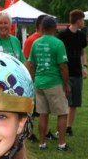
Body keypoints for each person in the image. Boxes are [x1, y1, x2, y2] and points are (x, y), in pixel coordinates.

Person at [26, 16, 70, 151]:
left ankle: (42, 143)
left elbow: (32, 65)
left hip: (39, 82)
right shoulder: (58, 43)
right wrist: (66, 84)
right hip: (54, 82)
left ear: (42, 28)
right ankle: (62, 144)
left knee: (43, 114)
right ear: (54, 28)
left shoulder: (35, 43)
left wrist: (32, 82)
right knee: (62, 113)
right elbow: (63, 66)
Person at [57, 9, 88, 137]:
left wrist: (84, 67)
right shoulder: (63, 35)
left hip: (77, 73)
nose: (84, 22)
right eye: (82, 19)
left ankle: (69, 127)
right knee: (64, 102)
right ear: (78, 20)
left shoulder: (81, 36)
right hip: (66, 73)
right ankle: (60, 128)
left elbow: (83, 52)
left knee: (74, 102)